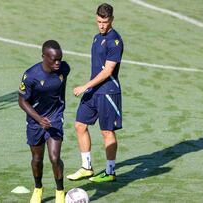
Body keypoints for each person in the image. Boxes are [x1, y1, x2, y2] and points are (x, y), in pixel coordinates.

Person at [66, 3, 124, 183]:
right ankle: (87, 167)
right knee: (79, 125)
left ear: (112, 20)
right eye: (99, 21)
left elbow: (108, 71)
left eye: (105, 22)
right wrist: (89, 88)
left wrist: (85, 86)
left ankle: (110, 171)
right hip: (94, 91)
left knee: (107, 132)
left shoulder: (116, 41)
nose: (101, 25)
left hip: (108, 92)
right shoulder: (96, 38)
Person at [18, 40, 70, 203]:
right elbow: (22, 101)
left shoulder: (64, 69)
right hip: (36, 121)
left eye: (59, 59)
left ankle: (60, 193)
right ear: (43, 57)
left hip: (55, 117)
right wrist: (39, 119)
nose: (58, 63)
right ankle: (38, 188)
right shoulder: (31, 76)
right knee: (37, 159)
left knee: (54, 158)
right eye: (54, 59)